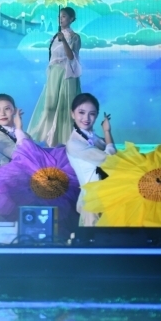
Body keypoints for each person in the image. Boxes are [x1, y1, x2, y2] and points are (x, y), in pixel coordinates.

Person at [28, 7, 82, 147]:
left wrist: (63, 40)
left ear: (71, 19)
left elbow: (71, 57)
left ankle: (66, 140)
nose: (60, 19)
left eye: (64, 16)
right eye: (59, 16)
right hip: (54, 73)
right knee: (50, 106)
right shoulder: (55, 36)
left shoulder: (75, 37)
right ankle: (48, 137)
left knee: (65, 107)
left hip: (66, 74)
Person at [66, 93, 115, 227]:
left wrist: (106, 132)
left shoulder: (93, 138)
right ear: (72, 114)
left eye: (92, 114)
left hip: (107, 197)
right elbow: (111, 160)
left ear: (97, 115)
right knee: (96, 238)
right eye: (81, 112)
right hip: (92, 202)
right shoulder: (74, 143)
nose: (86, 118)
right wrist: (107, 132)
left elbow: (113, 156)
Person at [0, 94, 30, 167]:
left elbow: (34, 152)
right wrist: (19, 129)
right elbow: (22, 157)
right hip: (9, 173)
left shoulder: (17, 132)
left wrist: (19, 130)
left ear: (15, 111)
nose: (2, 114)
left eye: (7, 109)